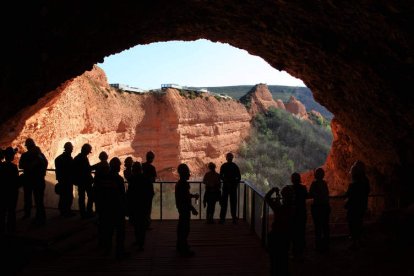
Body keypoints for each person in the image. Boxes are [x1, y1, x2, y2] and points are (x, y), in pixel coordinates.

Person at [100, 157, 128, 259]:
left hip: (107, 209)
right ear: (116, 167)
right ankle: (119, 252)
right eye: (119, 165)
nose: (120, 167)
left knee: (108, 231)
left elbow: (100, 193)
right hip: (117, 209)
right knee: (120, 232)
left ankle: (107, 250)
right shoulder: (119, 179)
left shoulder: (104, 178)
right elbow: (122, 195)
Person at [265, 186, 295, 276]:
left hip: (276, 235)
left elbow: (267, 198)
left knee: (274, 259)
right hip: (286, 235)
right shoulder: (293, 208)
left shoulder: (279, 208)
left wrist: (273, 190)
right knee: (284, 256)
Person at [19, 138, 48, 225]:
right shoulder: (40, 155)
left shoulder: (25, 155)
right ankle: (40, 216)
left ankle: (28, 214)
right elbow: (45, 164)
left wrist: (29, 166)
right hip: (38, 180)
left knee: (28, 198)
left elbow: (21, 166)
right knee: (39, 200)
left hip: (29, 180)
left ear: (27, 146)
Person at [127, 162, 153, 250]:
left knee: (136, 225)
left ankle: (139, 241)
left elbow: (129, 194)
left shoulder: (132, 179)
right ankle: (140, 242)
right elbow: (151, 193)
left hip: (135, 205)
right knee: (141, 225)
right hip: (143, 205)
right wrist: (148, 204)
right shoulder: (146, 179)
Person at [344, 160, 370, 250]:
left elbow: (348, 194)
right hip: (362, 205)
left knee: (353, 223)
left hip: (353, 208)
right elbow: (367, 191)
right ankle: (359, 241)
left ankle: (355, 242)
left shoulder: (353, 185)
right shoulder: (365, 181)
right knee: (359, 222)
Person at [175, 163, 199, 257]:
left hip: (181, 207)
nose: (189, 174)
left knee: (181, 226)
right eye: (188, 172)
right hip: (184, 208)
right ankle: (183, 249)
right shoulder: (184, 184)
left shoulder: (180, 183)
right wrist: (193, 209)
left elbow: (185, 196)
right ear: (184, 173)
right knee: (185, 228)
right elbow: (185, 199)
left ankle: (180, 245)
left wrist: (193, 196)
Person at [91, 151, 110, 247]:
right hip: (102, 191)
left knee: (98, 208)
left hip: (97, 189)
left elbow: (91, 167)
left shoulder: (100, 165)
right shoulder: (106, 166)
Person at [309, 168, 330, 253]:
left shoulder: (314, 183)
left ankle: (318, 245)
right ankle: (326, 245)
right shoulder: (324, 183)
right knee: (325, 226)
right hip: (325, 206)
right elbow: (327, 193)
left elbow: (310, 193)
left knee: (318, 227)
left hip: (317, 207)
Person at [0, 147, 19, 233]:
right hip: (11, 192)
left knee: (2, 211)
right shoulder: (13, 167)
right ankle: (11, 229)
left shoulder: (1, 166)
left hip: (3, 192)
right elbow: (16, 181)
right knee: (11, 211)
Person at [73, 143, 94, 219]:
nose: (89, 153)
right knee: (90, 196)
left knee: (81, 197)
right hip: (85, 181)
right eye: (88, 151)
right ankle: (89, 212)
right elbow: (87, 169)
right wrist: (96, 167)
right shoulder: (83, 158)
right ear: (86, 151)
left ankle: (83, 213)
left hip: (80, 181)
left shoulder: (77, 158)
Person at [54, 142, 75, 217]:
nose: (72, 149)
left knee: (63, 196)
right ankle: (67, 211)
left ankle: (63, 211)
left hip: (62, 180)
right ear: (69, 149)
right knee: (68, 196)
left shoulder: (59, 158)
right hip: (67, 180)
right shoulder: (68, 158)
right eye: (71, 148)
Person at [219, 152, 241, 224]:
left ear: (226, 158)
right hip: (233, 188)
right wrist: (235, 183)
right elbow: (239, 177)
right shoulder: (235, 166)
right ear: (232, 158)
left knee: (224, 204)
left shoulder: (224, 166)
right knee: (233, 203)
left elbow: (221, 176)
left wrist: (226, 181)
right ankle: (234, 219)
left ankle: (222, 219)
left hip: (225, 187)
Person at [290, 172, 308, 261]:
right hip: (302, 212)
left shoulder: (290, 188)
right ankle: (301, 252)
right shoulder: (303, 188)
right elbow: (306, 196)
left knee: (294, 232)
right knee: (301, 231)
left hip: (293, 213)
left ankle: (294, 251)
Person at [142, 151, 156, 228]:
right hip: (149, 190)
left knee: (142, 208)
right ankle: (147, 224)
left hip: (141, 190)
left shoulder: (142, 166)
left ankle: (142, 223)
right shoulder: (152, 168)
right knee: (148, 208)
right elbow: (153, 180)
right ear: (152, 159)